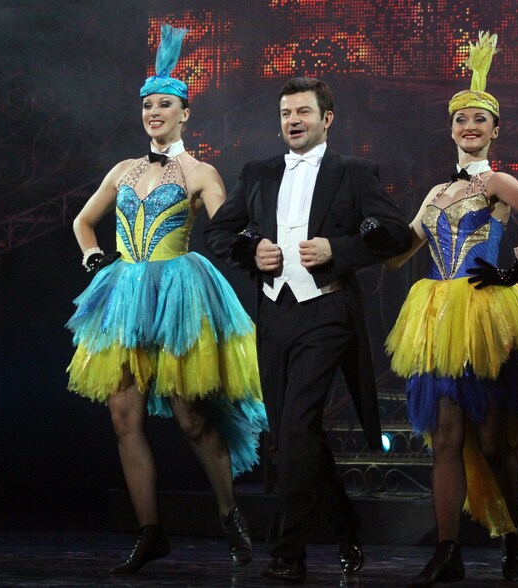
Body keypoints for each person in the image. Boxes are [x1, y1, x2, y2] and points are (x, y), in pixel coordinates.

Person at [384, 32, 518, 586]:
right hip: (436, 315)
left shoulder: (497, 180)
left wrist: (516, 270)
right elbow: (400, 254)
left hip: (483, 314)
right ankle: (447, 551)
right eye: (461, 119)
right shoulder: (435, 194)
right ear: (450, 128)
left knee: (493, 440)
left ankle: (513, 534)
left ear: (495, 130)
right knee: (446, 437)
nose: (469, 126)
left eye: (480, 119)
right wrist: (367, 234)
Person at [65, 25, 267, 574]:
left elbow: (226, 226)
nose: (154, 112)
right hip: (123, 294)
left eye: (165, 104)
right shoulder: (123, 171)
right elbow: (84, 222)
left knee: (191, 417)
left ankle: (229, 512)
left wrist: (255, 246)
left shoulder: (200, 171)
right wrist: (92, 257)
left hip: (178, 294)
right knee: (123, 415)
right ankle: (150, 532)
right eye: (147, 105)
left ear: (184, 113)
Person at [204, 76, 413, 583]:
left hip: (327, 312)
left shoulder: (354, 172)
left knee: (298, 424)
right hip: (275, 313)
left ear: (327, 119)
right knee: (292, 434)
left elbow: (396, 234)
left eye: (302, 112)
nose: (293, 121)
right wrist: (252, 250)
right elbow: (218, 232)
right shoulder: (258, 172)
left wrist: (338, 249)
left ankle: (288, 552)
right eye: (285, 113)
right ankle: (345, 526)